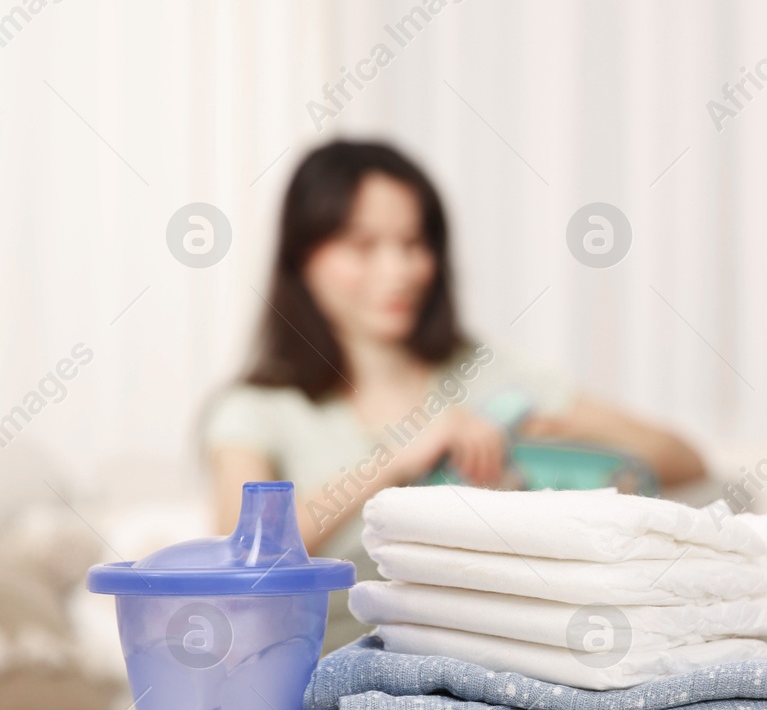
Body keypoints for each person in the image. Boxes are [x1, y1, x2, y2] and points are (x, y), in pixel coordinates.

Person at [204, 140, 705, 649]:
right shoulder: (255, 410)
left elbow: (687, 460)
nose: (398, 270)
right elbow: (236, 563)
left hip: (510, 653)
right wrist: (397, 458)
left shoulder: (494, 373)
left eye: (414, 244)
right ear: (302, 257)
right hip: (328, 668)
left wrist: (551, 436)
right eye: (363, 246)